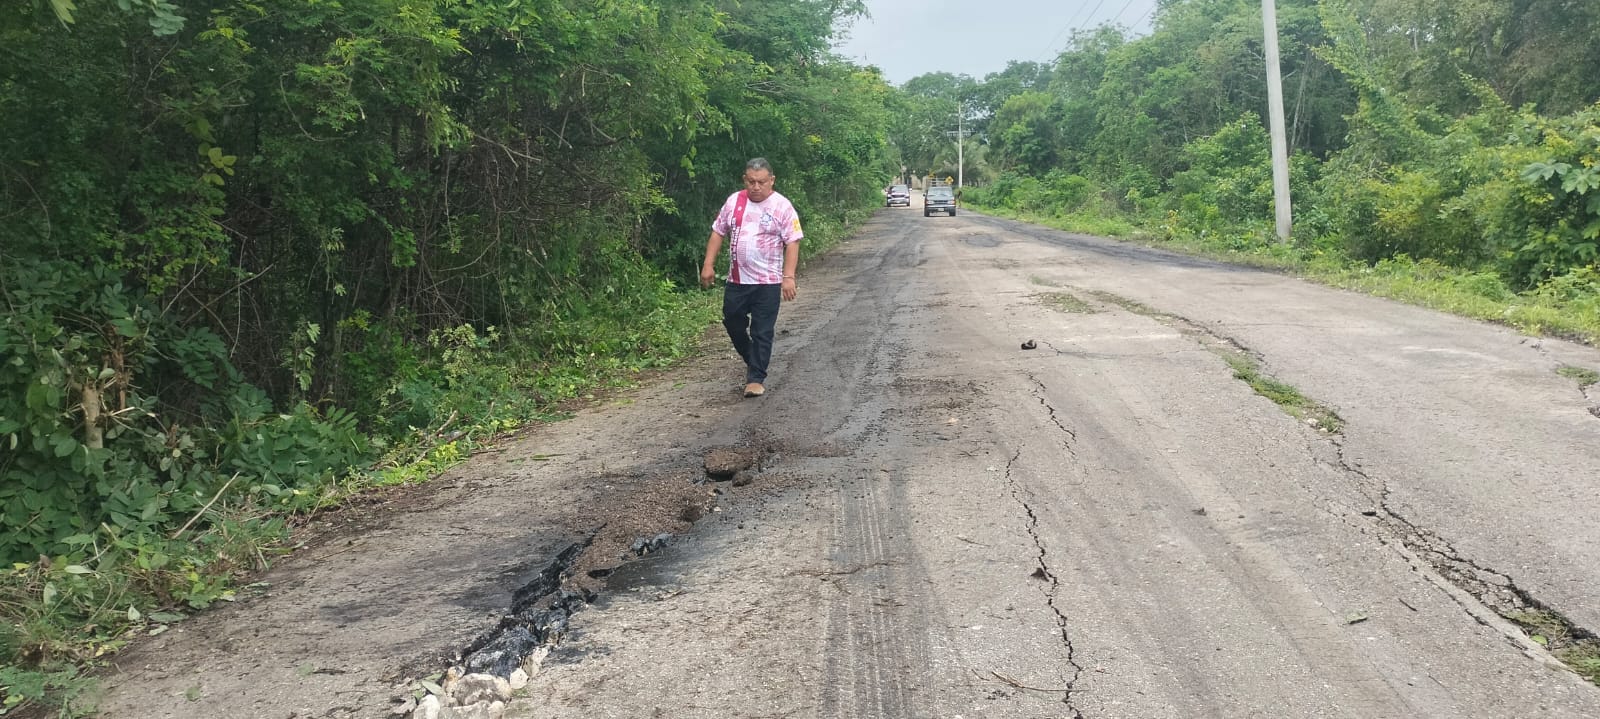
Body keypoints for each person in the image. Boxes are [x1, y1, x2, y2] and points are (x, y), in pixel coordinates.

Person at [700, 158, 802, 398]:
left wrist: (788, 277)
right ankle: (752, 357)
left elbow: (793, 242)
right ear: (745, 179)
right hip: (737, 280)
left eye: (761, 182)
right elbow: (718, 232)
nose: (756, 187)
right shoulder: (734, 201)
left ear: (772, 181)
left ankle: (756, 378)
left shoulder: (782, 207)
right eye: (751, 181)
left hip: (768, 282)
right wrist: (708, 265)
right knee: (732, 321)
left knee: (762, 330)